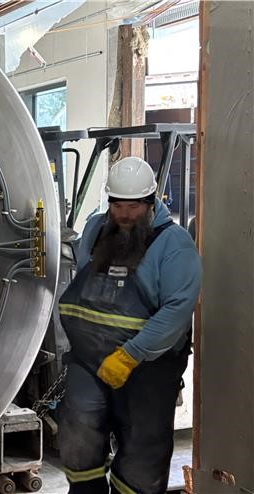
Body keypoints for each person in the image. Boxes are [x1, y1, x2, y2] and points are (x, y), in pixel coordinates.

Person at [57, 157, 201, 494]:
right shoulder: (97, 228)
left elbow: (177, 311)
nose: (124, 214)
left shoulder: (174, 245)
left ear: (151, 202)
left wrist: (130, 355)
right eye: (117, 205)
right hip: (88, 359)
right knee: (78, 427)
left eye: (133, 206)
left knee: (142, 446)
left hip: (146, 364)